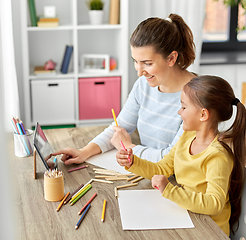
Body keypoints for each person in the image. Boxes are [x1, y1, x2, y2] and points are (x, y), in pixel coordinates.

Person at [52, 13, 196, 164]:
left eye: (147, 63)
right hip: (148, 171)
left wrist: (129, 147)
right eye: (136, 61)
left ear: (172, 58)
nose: (139, 72)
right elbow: (119, 129)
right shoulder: (144, 85)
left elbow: (173, 160)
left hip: (175, 182)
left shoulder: (197, 98)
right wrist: (84, 152)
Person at [116, 75, 246, 236]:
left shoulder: (217, 157)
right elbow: (162, 168)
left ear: (203, 115)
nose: (179, 112)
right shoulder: (187, 136)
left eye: (184, 107)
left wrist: (169, 190)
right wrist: (133, 162)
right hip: (187, 215)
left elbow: (214, 204)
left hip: (209, 230)